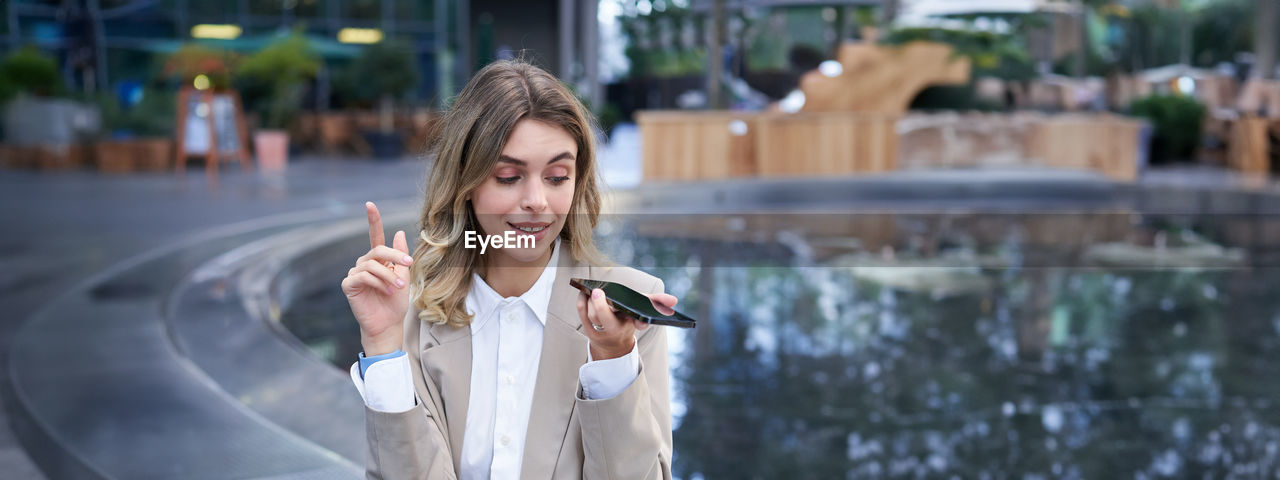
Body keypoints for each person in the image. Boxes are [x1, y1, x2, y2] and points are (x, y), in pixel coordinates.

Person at [340, 59, 679, 479]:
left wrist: (612, 359)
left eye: (557, 177)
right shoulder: (411, 316)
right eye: (508, 177)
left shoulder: (630, 311)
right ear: (465, 182)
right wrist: (383, 346)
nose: (537, 200)